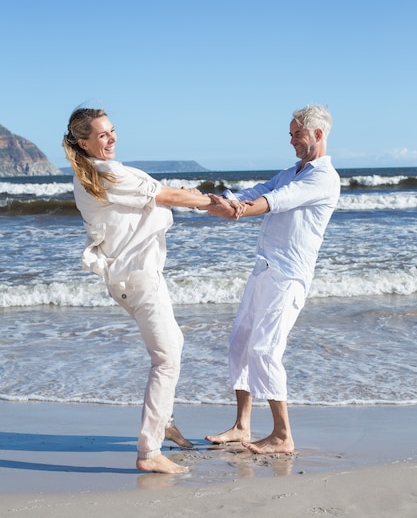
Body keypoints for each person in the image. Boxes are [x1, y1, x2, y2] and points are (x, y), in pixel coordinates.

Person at [62, 108, 227, 475]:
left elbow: (160, 194)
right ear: (84, 142)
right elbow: (165, 195)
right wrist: (223, 205)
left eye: (112, 131)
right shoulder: (107, 174)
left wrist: (197, 196)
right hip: (137, 279)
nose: (111, 139)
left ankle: (164, 422)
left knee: (173, 345)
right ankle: (149, 452)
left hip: (133, 277)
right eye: (102, 135)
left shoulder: (92, 173)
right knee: (166, 358)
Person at [205, 105, 340, 455]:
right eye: (291, 133)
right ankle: (242, 425)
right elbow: (259, 189)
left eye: (298, 133)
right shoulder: (290, 172)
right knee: (240, 343)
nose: (292, 140)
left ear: (317, 135)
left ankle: (282, 436)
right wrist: (215, 200)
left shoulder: (323, 178)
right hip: (264, 269)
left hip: (289, 276)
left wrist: (239, 211)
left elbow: (279, 201)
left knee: (265, 349)